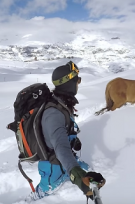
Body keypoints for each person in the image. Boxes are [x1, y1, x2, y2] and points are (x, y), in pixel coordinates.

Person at [27, 61, 105, 201]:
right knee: (43, 194)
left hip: (66, 160)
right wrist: (78, 177)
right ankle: (32, 199)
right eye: (77, 80)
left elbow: (63, 135)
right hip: (53, 167)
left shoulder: (61, 103)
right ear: (68, 83)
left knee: (88, 169)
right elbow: (60, 147)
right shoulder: (54, 113)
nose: (78, 84)